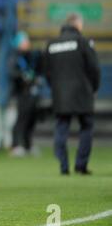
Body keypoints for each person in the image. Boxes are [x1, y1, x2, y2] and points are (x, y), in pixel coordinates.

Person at [44, 13, 100, 175]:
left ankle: (63, 166)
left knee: (61, 129)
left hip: (60, 94)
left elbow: (47, 71)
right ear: (78, 25)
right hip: (83, 93)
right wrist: (94, 88)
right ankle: (80, 165)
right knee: (87, 127)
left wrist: (54, 87)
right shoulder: (83, 42)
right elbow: (94, 68)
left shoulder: (51, 44)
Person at [8, 31, 43, 156]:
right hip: (21, 92)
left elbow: (37, 70)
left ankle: (28, 145)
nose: (27, 44)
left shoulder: (31, 56)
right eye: (24, 42)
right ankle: (15, 145)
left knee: (31, 119)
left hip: (32, 93)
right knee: (21, 118)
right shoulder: (14, 57)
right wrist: (22, 76)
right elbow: (11, 73)